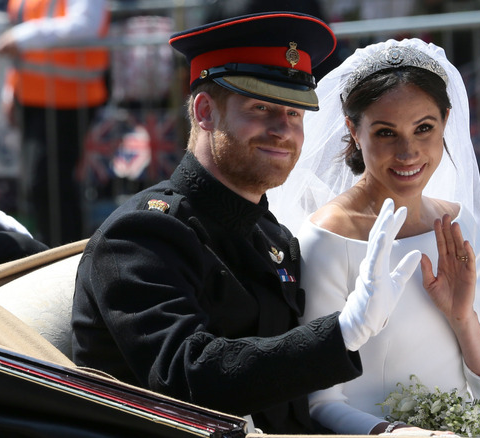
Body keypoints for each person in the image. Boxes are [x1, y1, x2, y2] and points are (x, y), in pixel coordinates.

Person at [71, 13, 424, 435]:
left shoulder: (271, 237)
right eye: (261, 108)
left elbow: (293, 403)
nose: (283, 130)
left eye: (295, 114)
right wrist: (343, 332)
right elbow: (188, 378)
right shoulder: (141, 236)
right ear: (204, 112)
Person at [269, 38, 480, 437]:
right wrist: (394, 434)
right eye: (387, 133)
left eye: (424, 128)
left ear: (446, 122)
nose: (408, 153)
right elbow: (320, 401)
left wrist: (463, 320)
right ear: (353, 130)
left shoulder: (458, 224)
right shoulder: (328, 236)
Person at [0, 0, 110, 246]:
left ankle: (65, 257)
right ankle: (52, 254)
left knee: (51, 186)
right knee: (40, 188)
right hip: (32, 98)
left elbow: (85, 24)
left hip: (69, 99)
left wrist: (23, 37)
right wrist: (10, 90)